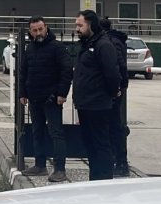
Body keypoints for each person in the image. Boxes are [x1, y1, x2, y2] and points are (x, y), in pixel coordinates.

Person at [18, 16, 74, 183]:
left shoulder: (57, 47)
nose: (38, 32)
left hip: (52, 99)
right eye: (34, 30)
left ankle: (59, 169)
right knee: (37, 132)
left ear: (46, 28)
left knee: (56, 133)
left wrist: (62, 94)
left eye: (40, 29)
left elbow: (66, 71)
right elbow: (23, 72)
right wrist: (22, 93)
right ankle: (40, 165)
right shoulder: (30, 49)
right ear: (30, 32)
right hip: (34, 98)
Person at [72, 10, 121, 180]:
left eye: (80, 25)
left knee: (100, 143)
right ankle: (94, 178)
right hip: (84, 103)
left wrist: (111, 93)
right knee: (89, 144)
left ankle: (104, 179)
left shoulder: (103, 45)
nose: (77, 29)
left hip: (98, 104)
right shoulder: (87, 44)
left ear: (91, 24)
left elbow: (112, 74)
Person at [100, 17, 131, 177]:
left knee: (113, 126)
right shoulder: (115, 40)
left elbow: (119, 66)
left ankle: (120, 162)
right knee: (113, 125)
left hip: (112, 90)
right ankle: (117, 160)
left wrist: (119, 86)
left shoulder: (110, 42)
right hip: (114, 89)